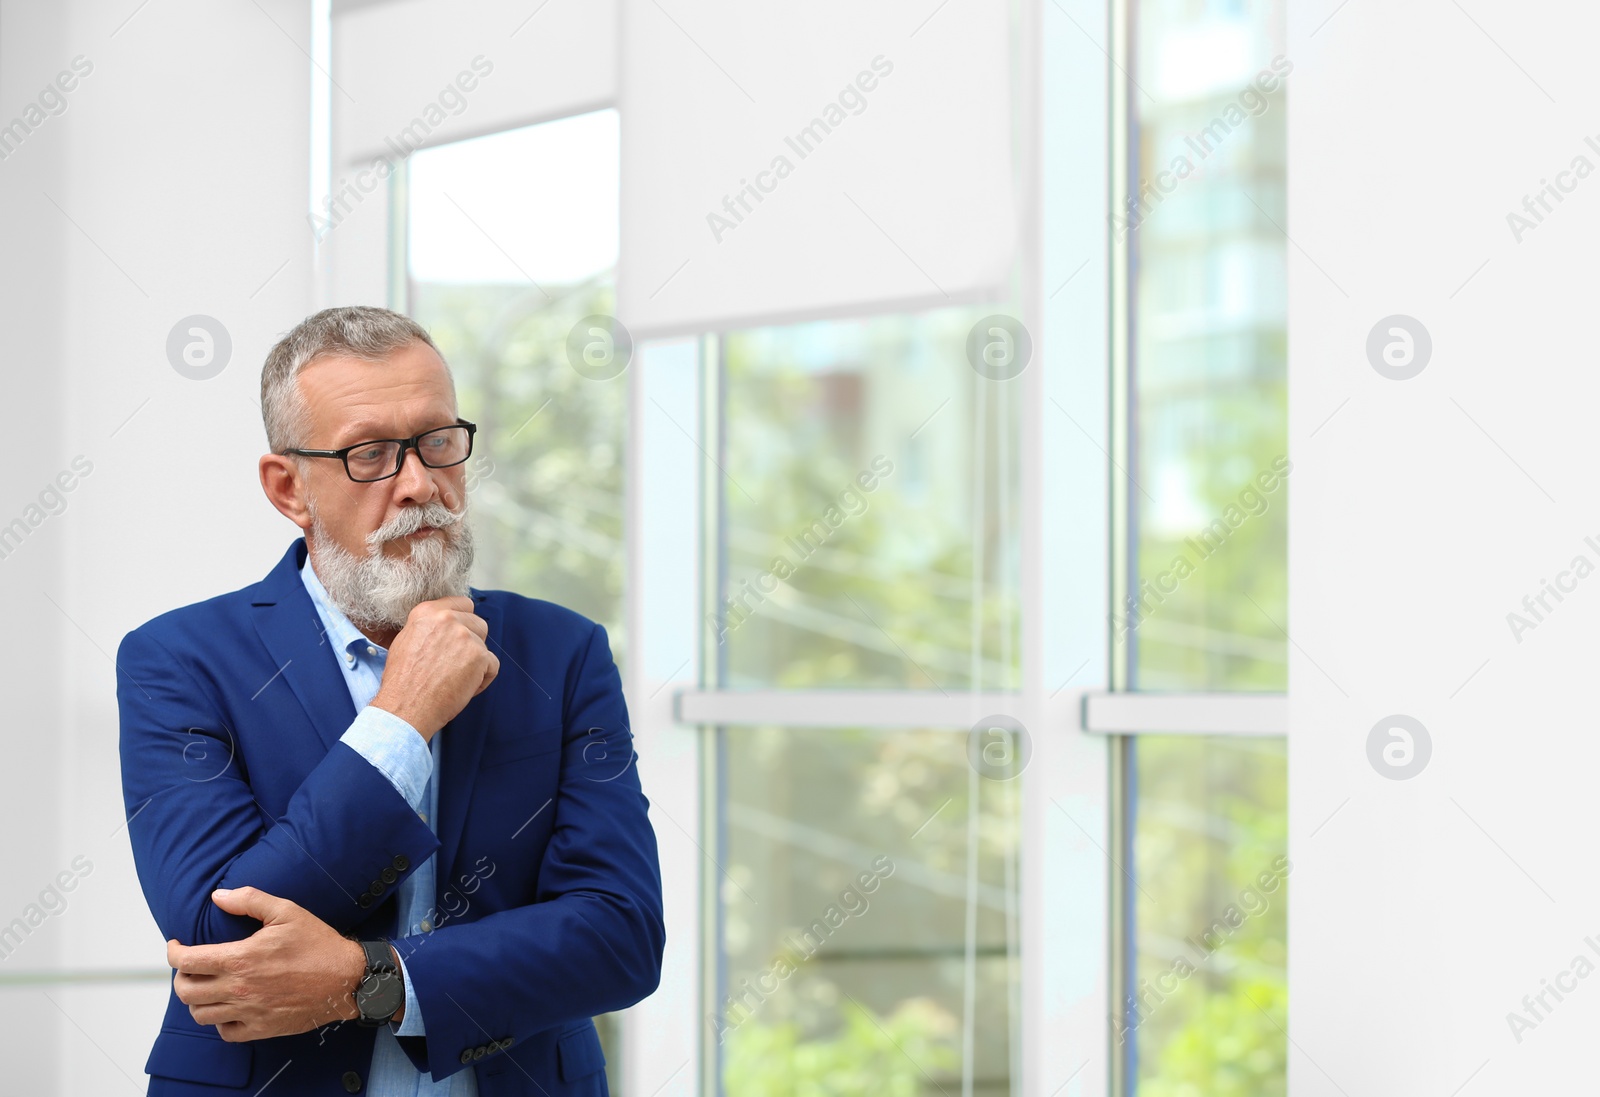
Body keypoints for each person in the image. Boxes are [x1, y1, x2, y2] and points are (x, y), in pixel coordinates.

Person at [116, 306, 663, 1096]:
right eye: (370, 454)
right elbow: (224, 940)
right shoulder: (178, 661)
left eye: (438, 442)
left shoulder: (561, 652)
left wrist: (365, 978)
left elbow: (619, 934)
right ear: (288, 487)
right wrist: (401, 717)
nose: (418, 484)